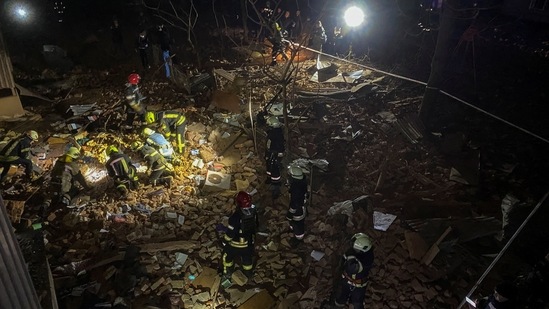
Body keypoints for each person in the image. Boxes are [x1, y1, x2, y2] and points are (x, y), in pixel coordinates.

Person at [221, 191, 258, 278]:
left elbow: (230, 233)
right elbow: (256, 227)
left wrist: (224, 241)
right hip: (248, 244)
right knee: (247, 260)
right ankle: (248, 274)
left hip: (234, 245)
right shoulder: (253, 213)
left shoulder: (236, 217)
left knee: (227, 257)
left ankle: (228, 273)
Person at [332, 233, 374, 309]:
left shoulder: (366, 260)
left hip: (358, 285)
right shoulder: (364, 252)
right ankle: (338, 305)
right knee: (340, 297)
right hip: (347, 280)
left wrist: (349, 257)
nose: (353, 248)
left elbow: (352, 268)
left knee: (357, 303)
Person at [286, 165, 308, 247]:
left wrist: (290, 214)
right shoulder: (302, 182)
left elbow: (294, 203)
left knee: (298, 224)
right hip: (301, 207)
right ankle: (294, 231)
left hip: (298, 210)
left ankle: (299, 239)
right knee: (296, 223)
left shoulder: (296, 189)